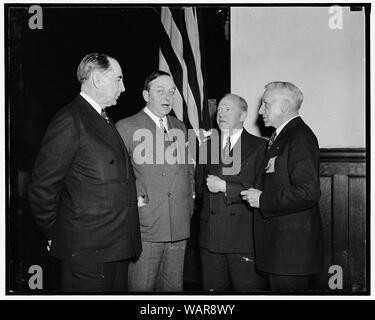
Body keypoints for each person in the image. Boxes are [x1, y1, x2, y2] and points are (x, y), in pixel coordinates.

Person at [28, 53, 142, 293]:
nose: (123, 87)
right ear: (98, 80)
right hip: (87, 252)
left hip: (115, 246)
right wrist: (55, 234)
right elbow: (43, 188)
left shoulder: (102, 118)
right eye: (118, 79)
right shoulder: (71, 118)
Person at [115, 70, 195, 292]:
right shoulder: (126, 127)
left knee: (173, 289)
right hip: (146, 223)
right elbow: (117, 176)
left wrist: (190, 200)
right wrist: (132, 202)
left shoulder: (179, 127)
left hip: (178, 222)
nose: (167, 97)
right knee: (141, 289)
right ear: (145, 95)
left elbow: (188, 169)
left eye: (171, 92)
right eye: (160, 91)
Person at [241, 81, 324, 292]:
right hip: (282, 251)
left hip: (290, 254)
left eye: (266, 104)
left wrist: (262, 199)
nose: (260, 111)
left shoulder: (299, 137)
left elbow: (308, 192)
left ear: (285, 106)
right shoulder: (283, 136)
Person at [195, 93, 267, 292]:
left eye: (228, 109)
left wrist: (226, 187)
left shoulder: (260, 147)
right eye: (219, 110)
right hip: (210, 239)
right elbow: (200, 190)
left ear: (243, 115)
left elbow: (263, 191)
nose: (221, 114)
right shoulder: (207, 146)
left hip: (243, 239)